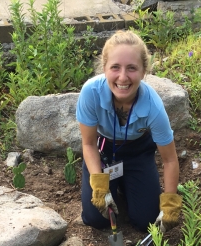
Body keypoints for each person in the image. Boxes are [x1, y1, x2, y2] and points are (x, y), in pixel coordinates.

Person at [76, 30, 182, 233]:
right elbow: (88, 143)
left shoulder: (153, 106)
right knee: (96, 219)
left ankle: (126, 185)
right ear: (104, 69)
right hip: (104, 151)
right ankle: (114, 185)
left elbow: (169, 160)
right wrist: (99, 184)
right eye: (115, 67)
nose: (123, 77)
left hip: (138, 151)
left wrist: (170, 203)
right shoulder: (91, 93)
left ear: (143, 72)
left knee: (146, 222)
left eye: (132, 68)